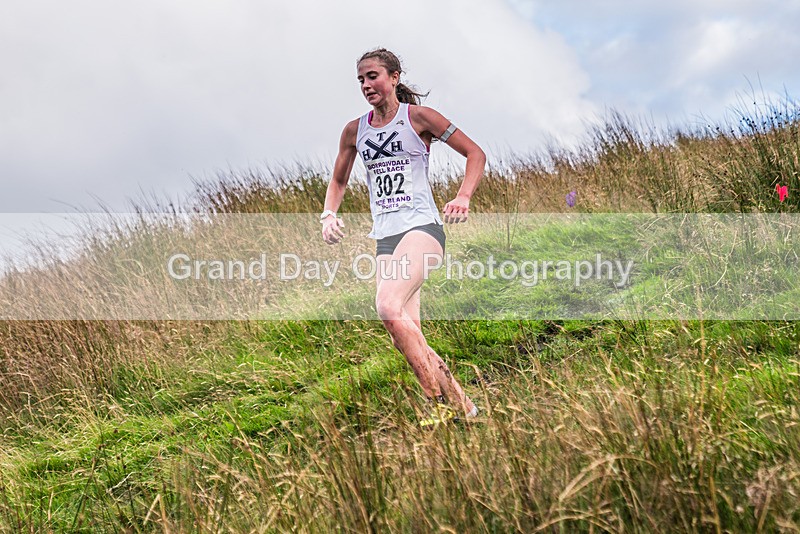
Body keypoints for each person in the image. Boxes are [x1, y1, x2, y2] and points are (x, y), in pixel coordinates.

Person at [321, 48, 486, 425]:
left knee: (386, 306)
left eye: (373, 76)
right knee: (404, 334)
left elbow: (475, 153)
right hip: (386, 237)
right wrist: (328, 214)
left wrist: (463, 196)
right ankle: (467, 410)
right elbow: (339, 179)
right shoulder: (354, 130)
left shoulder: (420, 118)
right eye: (361, 79)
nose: (366, 85)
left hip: (422, 228)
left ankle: (437, 404)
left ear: (394, 78)